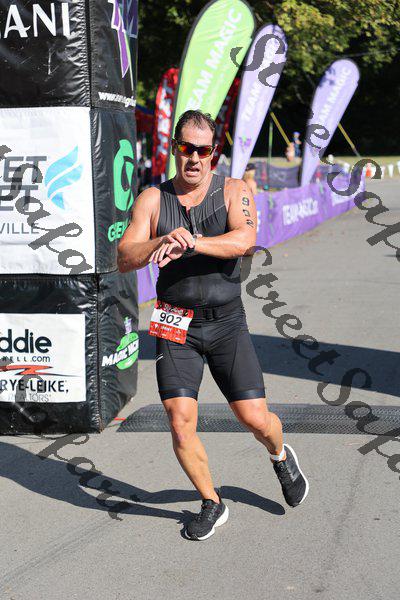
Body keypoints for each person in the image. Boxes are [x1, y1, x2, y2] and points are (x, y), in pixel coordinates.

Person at [118, 110, 309, 541]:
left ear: (214, 154)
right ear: (175, 149)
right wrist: (160, 240)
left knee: (255, 418)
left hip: (226, 323)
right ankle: (211, 502)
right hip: (174, 324)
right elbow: (125, 256)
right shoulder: (153, 199)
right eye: (186, 148)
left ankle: (280, 456)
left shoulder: (234, 190)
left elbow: (245, 240)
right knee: (179, 419)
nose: (194, 158)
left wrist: (193, 243)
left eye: (203, 151)